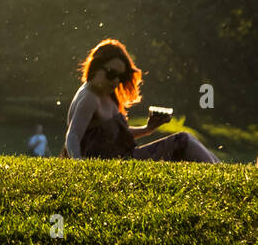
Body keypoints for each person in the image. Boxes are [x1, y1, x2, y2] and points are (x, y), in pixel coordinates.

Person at [62, 39, 218, 162]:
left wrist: (147, 128)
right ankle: (218, 171)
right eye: (111, 73)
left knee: (186, 141)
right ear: (95, 67)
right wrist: (78, 163)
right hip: (121, 162)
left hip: (126, 157)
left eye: (121, 77)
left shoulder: (106, 93)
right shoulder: (89, 97)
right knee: (183, 140)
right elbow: (73, 135)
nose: (116, 81)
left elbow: (114, 136)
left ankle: (218, 168)